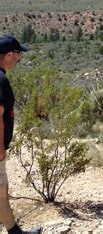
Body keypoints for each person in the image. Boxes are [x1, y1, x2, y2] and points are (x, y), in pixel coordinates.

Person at [0, 35, 41, 234]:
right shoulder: (0, 81)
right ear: (8, 55)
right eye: (17, 54)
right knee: (0, 192)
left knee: (1, 193)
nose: (19, 58)